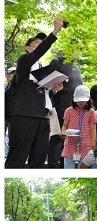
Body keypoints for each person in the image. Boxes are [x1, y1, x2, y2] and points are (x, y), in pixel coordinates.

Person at [6, 17, 66, 168]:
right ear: (27, 48)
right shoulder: (24, 61)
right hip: (24, 115)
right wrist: (54, 32)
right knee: (18, 157)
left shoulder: (43, 68)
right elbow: (38, 53)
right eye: (37, 44)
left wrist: (54, 89)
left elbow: (43, 92)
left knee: (39, 157)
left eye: (42, 44)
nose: (40, 46)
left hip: (43, 116)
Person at [60, 85, 97, 168]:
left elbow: (93, 130)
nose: (81, 102)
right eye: (79, 100)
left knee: (83, 169)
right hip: (70, 143)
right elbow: (65, 125)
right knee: (68, 168)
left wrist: (94, 144)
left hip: (85, 145)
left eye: (83, 101)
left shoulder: (92, 112)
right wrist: (63, 133)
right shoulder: (69, 111)